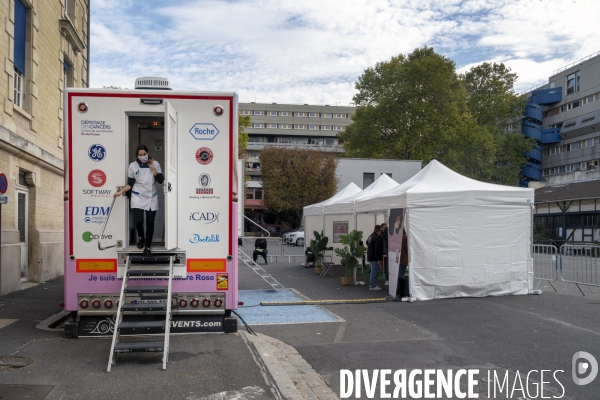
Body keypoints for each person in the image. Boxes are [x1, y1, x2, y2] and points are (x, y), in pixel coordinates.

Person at [114, 144, 164, 256]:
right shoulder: (133, 166)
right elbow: (130, 183)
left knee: (150, 223)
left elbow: (160, 180)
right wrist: (120, 192)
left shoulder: (155, 164)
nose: (142, 156)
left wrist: (153, 169)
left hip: (151, 197)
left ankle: (147, 247)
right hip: (138, 197)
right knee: (139, 220)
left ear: (148, 153)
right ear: (137, 155)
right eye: (140, 155)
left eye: (144, 154)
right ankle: (141, 237)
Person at [366, 225, 384, 290]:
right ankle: (372, 285)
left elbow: (367, 242)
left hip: (371, 256)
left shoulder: (370, 236)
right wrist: (379, 258)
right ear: (380, 230)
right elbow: (377, 249)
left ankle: (373, 284)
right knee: (374, 271)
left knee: (373, 271)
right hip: (375, 257)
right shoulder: (377, 238)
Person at [397, 229, 410, 298]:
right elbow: (407, 248)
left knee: (399, 274)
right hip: (403, 259)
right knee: (401, 275)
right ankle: (400, 289)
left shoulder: (396, 237)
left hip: (398, 259)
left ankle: (398, 289)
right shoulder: (405, 238)